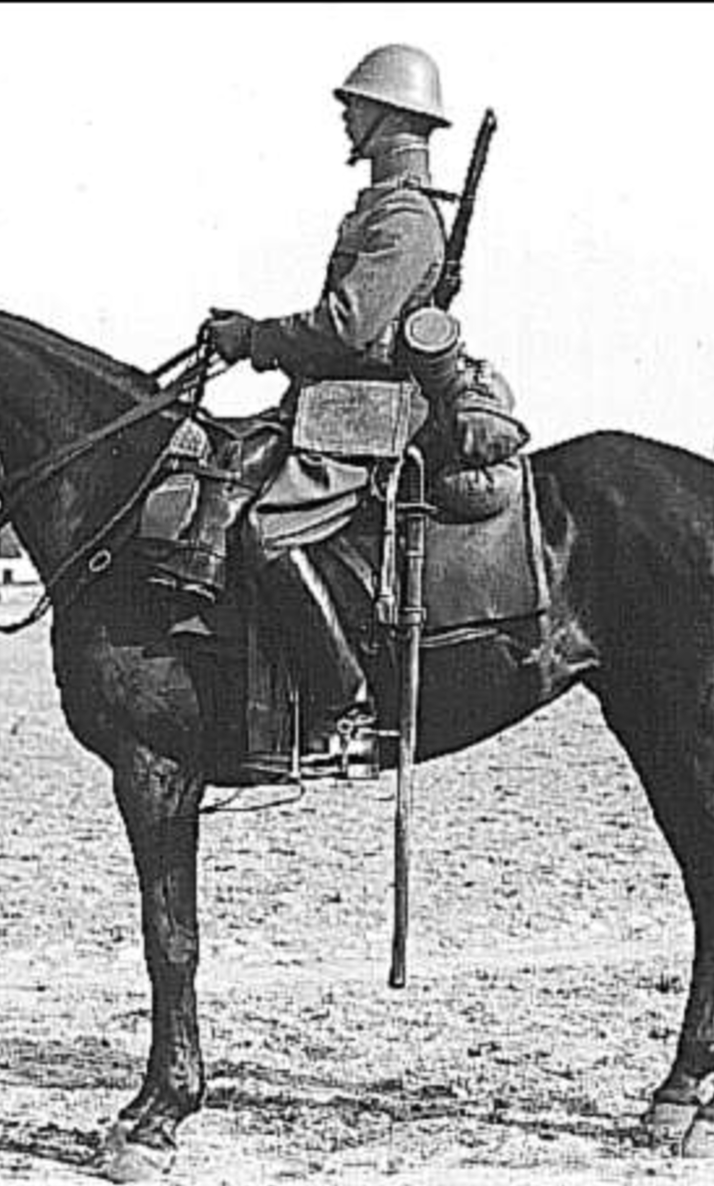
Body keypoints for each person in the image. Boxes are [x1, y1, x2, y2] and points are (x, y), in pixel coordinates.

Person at [203, 44, 451, 767]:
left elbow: (347, 326)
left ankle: (346, 707)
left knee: (268, 532)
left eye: (356, 105)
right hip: (334, 405)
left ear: (390, 116)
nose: (345, 116)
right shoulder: (382, 210)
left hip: (367, 416)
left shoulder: (405, 219)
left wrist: (254, 339)